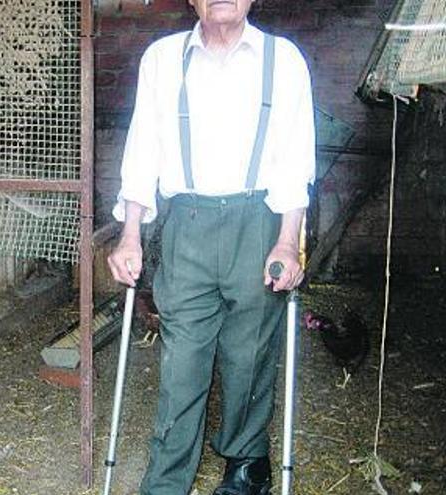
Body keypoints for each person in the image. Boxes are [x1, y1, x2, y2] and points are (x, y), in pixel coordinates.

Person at [106, 0, 315, 494]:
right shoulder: (161, 58)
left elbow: (294, 154)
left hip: (258, 222)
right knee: (183, 361)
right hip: (188, 225)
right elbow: (143, 149)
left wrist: (288, 241)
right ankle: (167, 479)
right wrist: (130, 232)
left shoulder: (282, 59)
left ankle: (246, 466)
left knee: (249, 354)